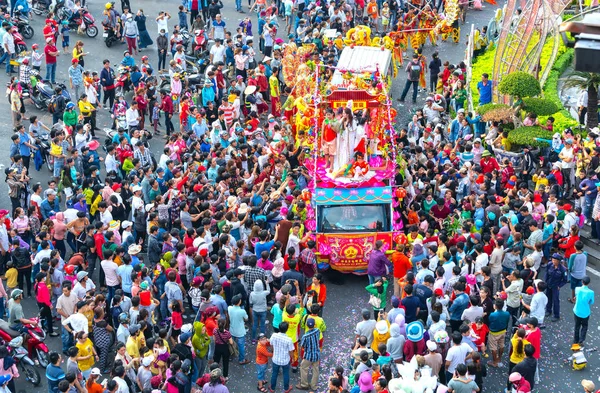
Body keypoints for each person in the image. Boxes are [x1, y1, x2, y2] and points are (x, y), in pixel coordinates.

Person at [270, 321, 294, 393]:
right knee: (286, 374)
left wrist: (273, 351)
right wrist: (292, 358)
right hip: (285, 360)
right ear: (287, 329)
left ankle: (272, 388)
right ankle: (286, 388)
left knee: (274, 373)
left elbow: (271, 345)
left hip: (275, 359)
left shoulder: (274, 335)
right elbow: (291, 351)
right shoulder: (289, 340)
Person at [573, 276, 594, 346]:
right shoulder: (591, 292)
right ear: (589, 283)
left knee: (577, 326)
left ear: (582, 282)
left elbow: (576, 296)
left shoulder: (577, 289)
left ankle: (576, 340)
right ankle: (581, 340)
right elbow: (591, 302)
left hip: (577, 310)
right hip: (585, 312)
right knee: (584, 326)